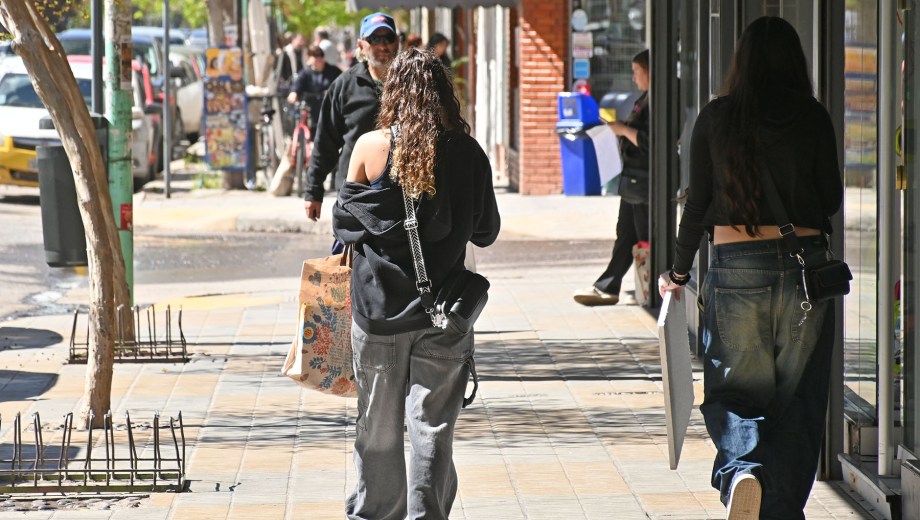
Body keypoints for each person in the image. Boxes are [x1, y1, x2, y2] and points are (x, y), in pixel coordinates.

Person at [658, 17, 842, 520]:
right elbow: (830, 201)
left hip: (737, 264)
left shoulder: (717, 120)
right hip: (807, 268)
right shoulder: (813, 117)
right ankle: (781, 508)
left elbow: (696, 207)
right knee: (798, 396)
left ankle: (742, 471)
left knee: (737, 389)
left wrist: (676, 274)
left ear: (742, 62)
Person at [332, 47, 501, 519]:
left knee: (378, 428)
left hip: (379, 312)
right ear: (445, 94)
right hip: (445, 313)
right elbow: (486, 232)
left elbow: (345, 223)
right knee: (432, 429)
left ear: (393, 93)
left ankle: (376, 514)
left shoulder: (369, 147)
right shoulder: (468, 153)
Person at [303, 12, 399, 222]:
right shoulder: (344, 85)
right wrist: (313, 190)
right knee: (352, 254)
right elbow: (325, 141)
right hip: (356, 192)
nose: (383, 46)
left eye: (388, 38)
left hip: (400, 194)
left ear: (397, 42)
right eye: (374, 39)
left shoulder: (410, 84)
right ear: (361, 45)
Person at [573, 49, 650, 306]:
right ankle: (609, 286)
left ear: (649, 72)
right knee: (626, 234)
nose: (634, 77)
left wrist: (621, 129)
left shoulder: (659, 102)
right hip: (633, 179)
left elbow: (651, 143)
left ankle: (649, 288)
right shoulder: (645, 99)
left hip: (645, 179)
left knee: (643, 236)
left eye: (637, 72)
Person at [286, 46, 341, 139]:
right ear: (309, 58)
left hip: (329, 106)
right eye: (315, 56)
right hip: (311, 108)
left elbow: (343, 83)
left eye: (321, 55)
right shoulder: (305, 73)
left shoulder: (333, 71)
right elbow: (297, 86)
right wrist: (294, 93)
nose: (319, 58)